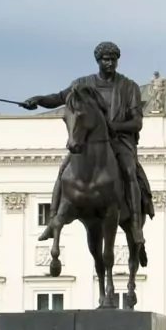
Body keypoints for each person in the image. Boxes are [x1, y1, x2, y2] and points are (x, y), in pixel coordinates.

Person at [22, 41, 154, 241]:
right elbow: (58, 98)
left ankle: (136, 226)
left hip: (118, 142)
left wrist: (113, 127)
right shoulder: (82, 85)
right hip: (87, 143)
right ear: (98, 61)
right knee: (63, 170)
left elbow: (136, 123)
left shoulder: (129, 87)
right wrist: (37, 100)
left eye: (113, 59)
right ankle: (53, 220)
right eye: (105, 59)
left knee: (129, 171)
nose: (109, 63)